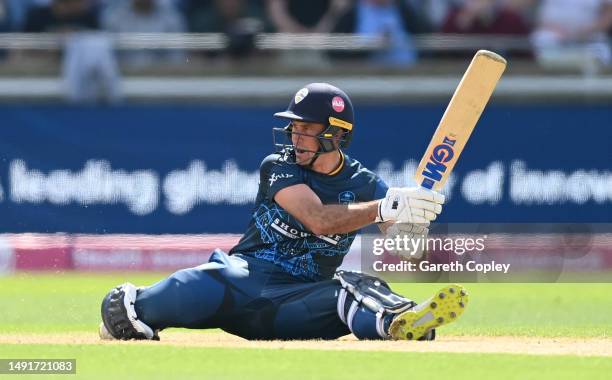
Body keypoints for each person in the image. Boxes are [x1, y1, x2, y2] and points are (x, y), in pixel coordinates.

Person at [99, 83, 469, 342]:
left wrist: (414, 220)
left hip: (298, 303)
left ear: (336, 134)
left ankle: (400, 323)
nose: (295, 137)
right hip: (240, 283)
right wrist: (385, 206)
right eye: (293, 127)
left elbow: (410, 253)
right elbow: (318, 218)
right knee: (163, 296)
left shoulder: (368, 185)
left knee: (355, 289)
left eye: (306, 129)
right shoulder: (279, 165)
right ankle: (134, 306)